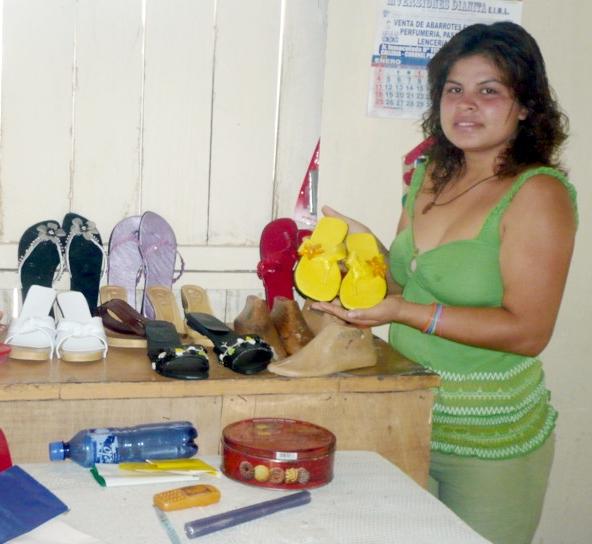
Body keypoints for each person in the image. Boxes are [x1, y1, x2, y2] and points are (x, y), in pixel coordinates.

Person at [312, 21, 577, 544]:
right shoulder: (432, 173)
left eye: (489, 90)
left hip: (490, 442)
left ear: (526, 105)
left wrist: (401, 312)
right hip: (406, 416)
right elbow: (405, 282)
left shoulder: (538, 194)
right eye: (454, 89)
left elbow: (528, 332)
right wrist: (356, 255)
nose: (466, 105)